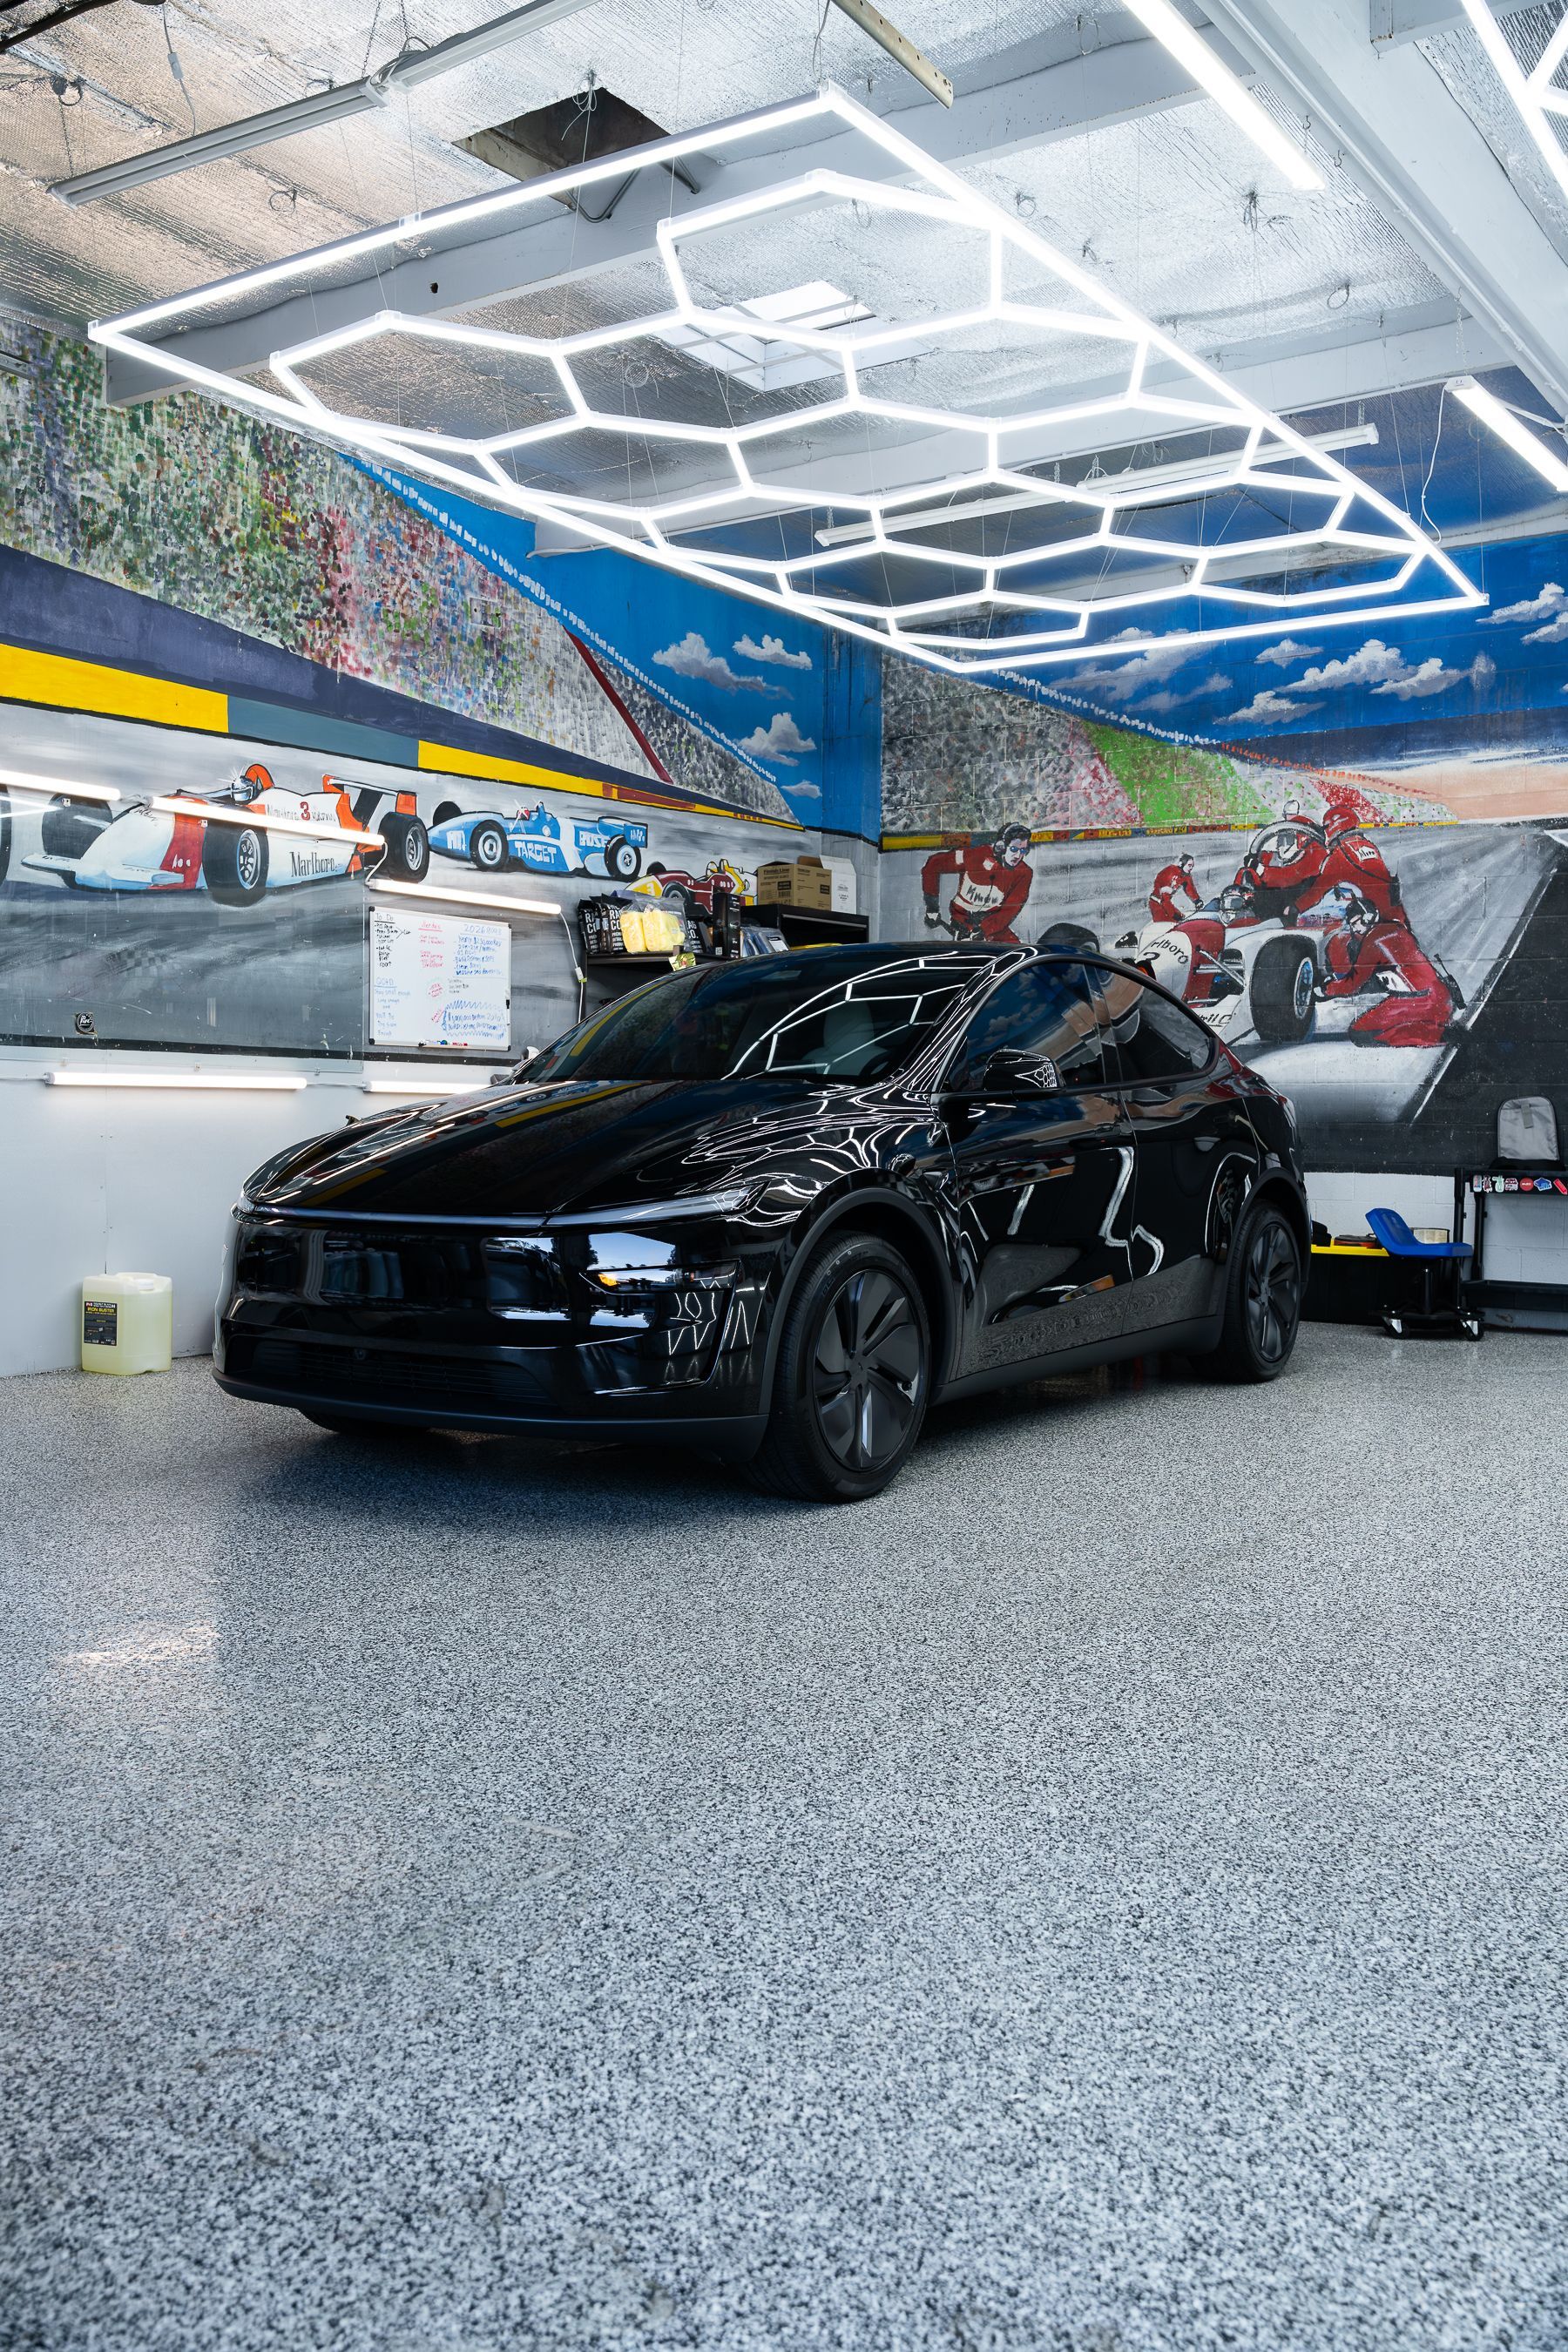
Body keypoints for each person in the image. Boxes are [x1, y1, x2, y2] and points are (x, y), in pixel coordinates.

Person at [1320, 891, 1454, 1046]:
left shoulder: (1373, 940)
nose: (1355, 929)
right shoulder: (1396, 928)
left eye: (1356, 923)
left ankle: (1437, 1035)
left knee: (1360, 1033)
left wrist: (1326, 989)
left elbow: (1353, 984)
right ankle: (1436, 1027)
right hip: (1438, 998)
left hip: (1421, 1001)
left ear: (1368, 918)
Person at [922, 823, 1034, 943]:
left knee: (1016, 952)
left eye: (1023, 850)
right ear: (1001, 846)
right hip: (962, 922)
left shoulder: (1024, 873)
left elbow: (1010, 910)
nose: (1018, 855)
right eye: (1014, 849)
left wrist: (984, 931)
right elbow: (933, 864)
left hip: (993, 927)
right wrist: (932, 908)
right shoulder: (973, 855)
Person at [1308, 798, 1405, 922]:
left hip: (1370, 920)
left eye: (1326, 826)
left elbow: (1319, 888)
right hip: (1392, 915)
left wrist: (1296, 907)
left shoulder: (1340, 853)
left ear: (1335, 826)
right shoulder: (1368, 845)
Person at [1147, 852, 1200, 923]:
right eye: (1189, 865)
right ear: (1182, 864)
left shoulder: (1186, 875)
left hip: (1166, 904)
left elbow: (1190, 888)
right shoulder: (1170, 873)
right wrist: (1175, 914)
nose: (1191, 868)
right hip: (1157, 904)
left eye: (1192, 866)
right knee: (1167, 926)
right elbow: (1164, 899)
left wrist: (1197, 901)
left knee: (1177, 923)